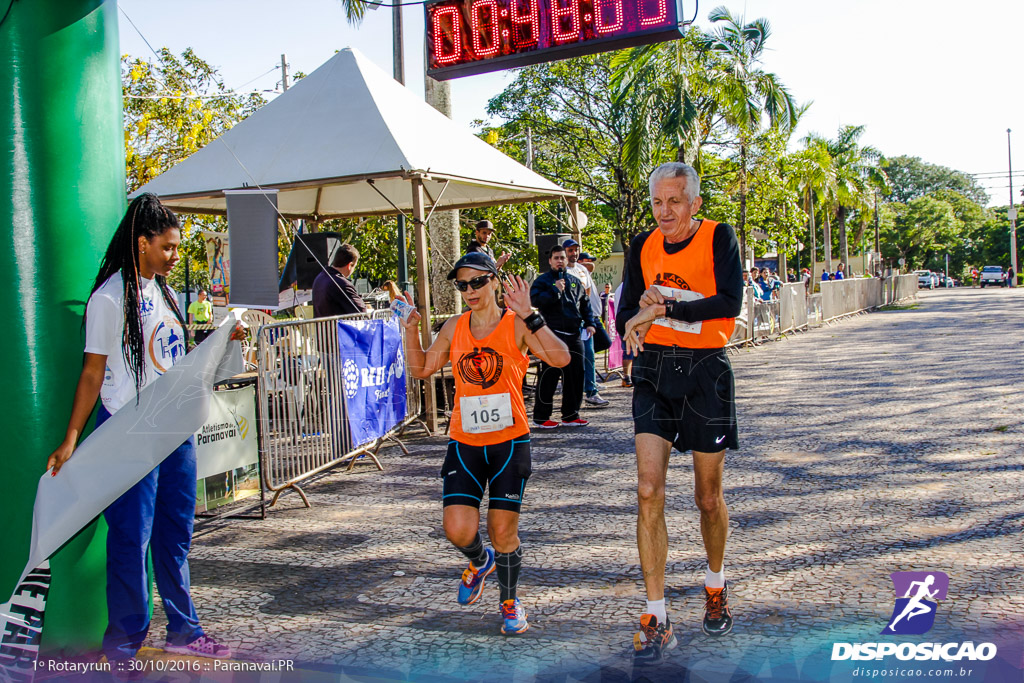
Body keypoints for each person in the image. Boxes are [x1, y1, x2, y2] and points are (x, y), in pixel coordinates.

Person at [46, 194, 239, 667]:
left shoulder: (165, 292)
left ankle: (184, 629)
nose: (175, 257)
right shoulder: (109, 299)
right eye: (168, 248)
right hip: (130, 434)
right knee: (131, 540)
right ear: (142, 243)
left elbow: (173, 354)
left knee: (174, 534)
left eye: (177, 248)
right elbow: (92, 373)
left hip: (174, 432)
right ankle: (124, 650)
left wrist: (221, 339)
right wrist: (72, 436)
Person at [397, 253, 569, 635]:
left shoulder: (517, 324)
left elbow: (561, 358)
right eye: (462, 285)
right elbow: (422, 368)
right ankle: (479, 561)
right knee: (457, 528)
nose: (470, 291)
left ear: (494, 280)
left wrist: (531, 315)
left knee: (503, 530)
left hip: (509, 442)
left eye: (478, 282)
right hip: (465, 440)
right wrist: (410, 330)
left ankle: (510, 603)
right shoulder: (453, 327)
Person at [617, 162, 743, 663]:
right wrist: (635, 320)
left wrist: (664, 307)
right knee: (648, 488)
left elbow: (728, 302)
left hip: (705, 372)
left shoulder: (719, 237)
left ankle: (715, 586)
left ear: (694, 204)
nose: (664, 212)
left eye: (674, 202)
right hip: (654, 373)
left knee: (707, 498)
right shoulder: (642, 245)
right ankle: (656, 614)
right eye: (657, 203)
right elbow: (628, 311)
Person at [529, 245, 597, 428]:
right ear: (550, 261)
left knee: (576, 375)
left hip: (574, 334)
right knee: (549, 375)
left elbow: (585, 304)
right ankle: (541, 417)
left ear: (566, 260)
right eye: (556, 258)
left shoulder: (574, 281)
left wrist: (590, 323)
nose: (560, 261)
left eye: (562, 258)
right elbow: (535, 301)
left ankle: (571, 414)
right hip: (552, 334)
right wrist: (555, 290)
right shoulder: (542, 281)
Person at [564, 240, 608, 407]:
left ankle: (591, 391)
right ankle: (573, 395)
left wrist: (589, 318)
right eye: (570, 250)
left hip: (584, 320)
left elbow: (587, 294)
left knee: (589, 355)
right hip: (568, 322)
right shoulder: (561, 272)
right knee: (571, 359)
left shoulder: (582, 269)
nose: (573, 253)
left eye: (576, 250)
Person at [312, 243, 366, 317]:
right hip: (337, 328)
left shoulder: (319, 278)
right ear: (349, 265)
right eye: (354, 267)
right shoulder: (342, 284)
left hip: (321, 327)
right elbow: (362, 312)